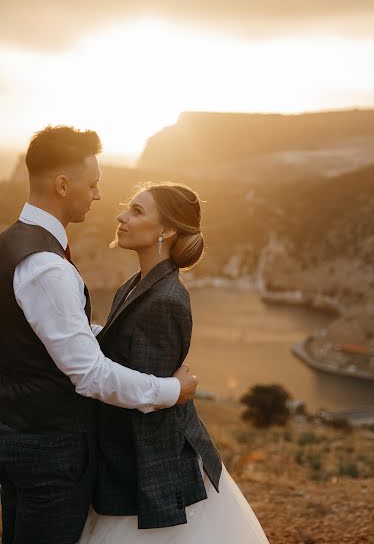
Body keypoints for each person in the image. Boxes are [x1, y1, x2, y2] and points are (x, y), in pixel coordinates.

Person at [0, 127, 198, 544]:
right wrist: (171, 390)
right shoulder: (47, 265)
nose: (98, 196)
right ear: (62, 185)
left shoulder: (11, 244)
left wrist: (99, 333)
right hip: (50, 452)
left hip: (16, 437)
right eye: (92, 185)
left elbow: (34, 330)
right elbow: (89, 375)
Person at [79, 182, 269, 543]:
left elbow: (150, 400)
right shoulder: (137, 284)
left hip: (147, 465)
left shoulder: (166, 299)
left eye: (137, 211)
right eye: (127, 207)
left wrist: (153, 493)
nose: (121, 216)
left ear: (166, 230)